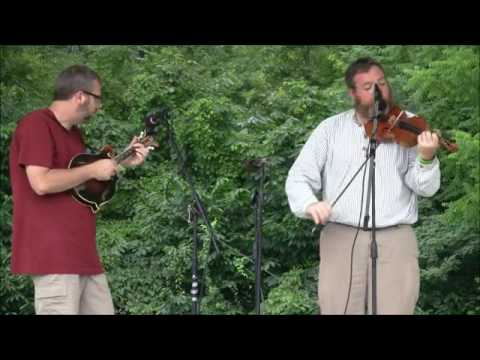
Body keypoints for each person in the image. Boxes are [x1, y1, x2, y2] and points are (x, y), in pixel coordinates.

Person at [285, 57, 440, 315]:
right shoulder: (329, 129)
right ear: (352, 93)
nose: (378, 91)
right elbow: (298, 176)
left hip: (395, 238)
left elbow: (426, 188)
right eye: (368, 87)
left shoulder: (409, 125)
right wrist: (309, 204)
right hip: (341, 238)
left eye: (381, 83)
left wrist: (427, 157)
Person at [9, 64, 150, 315]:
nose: (99, 107)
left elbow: (81, 186)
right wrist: (92, 170)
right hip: (54, 257)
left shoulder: (75, 136)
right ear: (80, 96)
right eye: (98, 99)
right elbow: (41, 183)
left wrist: (122, 161)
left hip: (84, 256)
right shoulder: (36, 125)